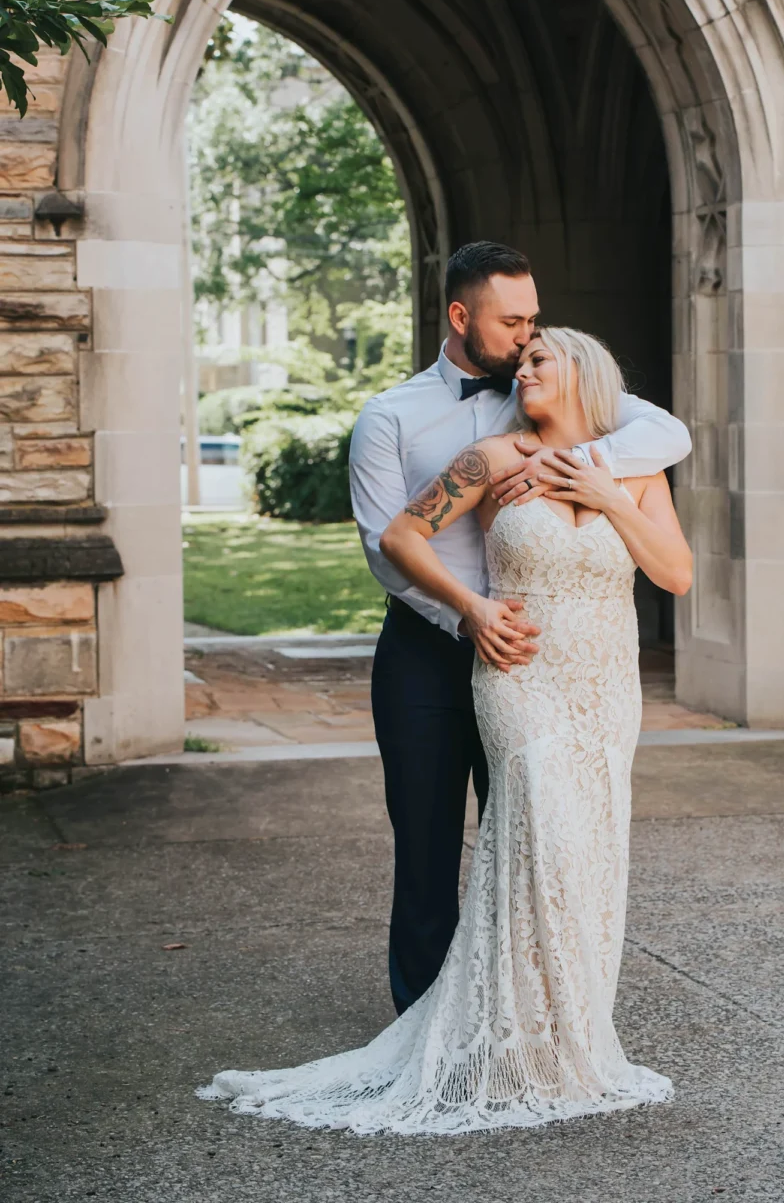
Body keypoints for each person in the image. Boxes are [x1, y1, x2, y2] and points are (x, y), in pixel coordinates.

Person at [198, 325, 693, 1133]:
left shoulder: (633, 470)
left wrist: (604, 495)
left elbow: (673, 573)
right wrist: (471, 610)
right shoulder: (497, 459)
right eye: (521, 356)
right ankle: (503, 1039)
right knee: (540, 837)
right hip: (521, 678)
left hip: (605, 685)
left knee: (591, 852)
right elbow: (399, 535)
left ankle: (567, 1042)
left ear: (583, 376)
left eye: (541, 359)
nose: (523, 368)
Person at [348, 241, 691, 1016]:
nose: (525, 344)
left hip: (574, 668)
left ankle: (543, 1011)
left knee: (560, 844)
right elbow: (386, 543)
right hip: (443, 645)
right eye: (514, 326)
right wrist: (470, 615)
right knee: (431, 845)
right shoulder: (394, 419)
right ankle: (432, 1022)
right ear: (462, 317)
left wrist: (588, 474)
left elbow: (669, 436)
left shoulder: (573, 418)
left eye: (536, 329)